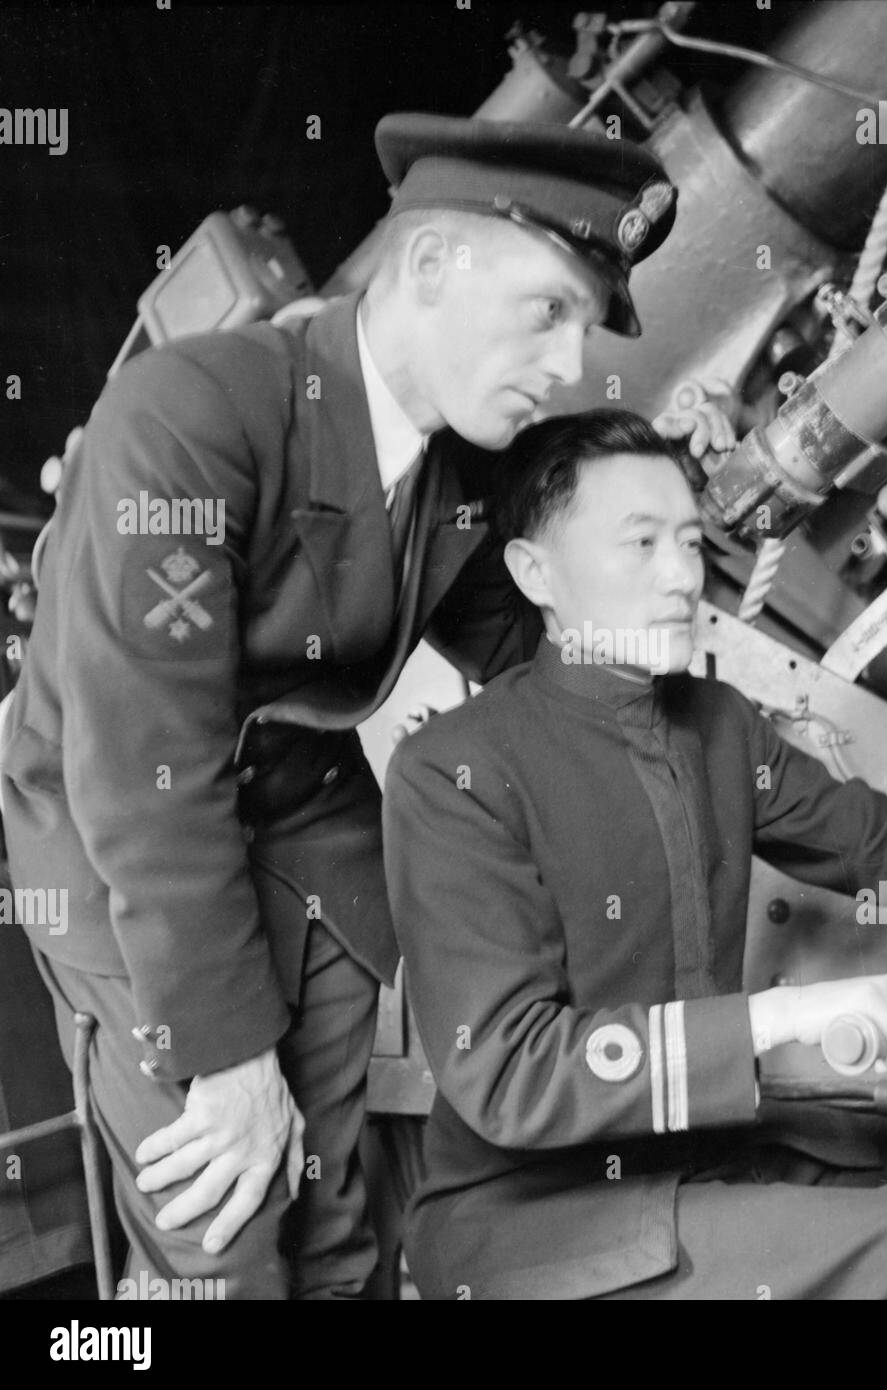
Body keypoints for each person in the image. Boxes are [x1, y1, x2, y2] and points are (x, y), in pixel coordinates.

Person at [0, 117, 730, 1298]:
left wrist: (663, 567)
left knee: (338, 1219)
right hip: (121, 829)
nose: (567, 359)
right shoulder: (192, 416)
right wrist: (232, 1056)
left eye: (583, 328)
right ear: (431, 265)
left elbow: (539, 651)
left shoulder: (454, 470)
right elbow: (144, 766)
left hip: (299, 815)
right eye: (547, 311)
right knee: (224, 1240)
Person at [382, 408, 887, 1299]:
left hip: (703, 1163)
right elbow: (511, 1072)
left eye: (691, 543)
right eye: (640, 544)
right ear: (533, 571)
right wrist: (788, 1017)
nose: (680, 578)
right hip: (529, 1220)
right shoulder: (455, 770)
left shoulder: (719, 724)